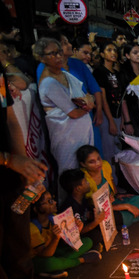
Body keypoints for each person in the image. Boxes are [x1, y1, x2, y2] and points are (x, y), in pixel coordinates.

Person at [0, 47, 61, 279]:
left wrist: (23, 163)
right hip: (5, 164)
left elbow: (10, 118)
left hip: (10, 176)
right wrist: (9, 159)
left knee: (18, 242)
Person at [36, 37, 94, 179]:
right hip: (66, 137)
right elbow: (73, 113)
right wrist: (88, 107)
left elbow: (86, 94)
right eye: (52, 54)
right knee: (70, 175)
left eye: (59, 52)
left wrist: (88, 102)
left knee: (87, 172)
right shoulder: (48, 83)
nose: (58, 57)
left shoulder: (66, 75)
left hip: (82, 133)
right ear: (42, 58)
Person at [77, 145, 139, 228]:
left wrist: (117, 195)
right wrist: (125, 206)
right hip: (100, 210)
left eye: (98, 158)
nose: (98, 163)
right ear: (83, 164)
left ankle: (137, 213)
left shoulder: (105, 166)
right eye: (92, 162)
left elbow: (111, 181)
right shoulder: (84, 180)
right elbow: (97, 208)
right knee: (123, 216)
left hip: (113, 200)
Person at [30, 191, 98, 277]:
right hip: (40, 258)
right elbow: (46, 254)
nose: (55, 202)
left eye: (53, 199)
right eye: (49, 201)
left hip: (55, 252)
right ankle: (80, 260)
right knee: (49, 263)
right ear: (36, 209)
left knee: (87, 241)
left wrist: (77, 230)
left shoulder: (54, 218)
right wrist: (56, 238)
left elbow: (69, 242)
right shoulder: (32, 228)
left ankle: (61, 265)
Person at [93, 42, 124, 168]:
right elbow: (103, 98)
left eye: (115, 50)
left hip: (118, 114)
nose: (113, 53)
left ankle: (118, 180)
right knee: (108, 151)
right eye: (109, 50)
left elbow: (121, 97)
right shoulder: (99, 72)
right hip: (107, 116)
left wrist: (121, 119)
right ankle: (112, 182)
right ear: (102, 54)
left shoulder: (117, 73)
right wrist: (110, 120)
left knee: (118, 149)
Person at [59, 169, 104, 248]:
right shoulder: (69, 209)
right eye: (85, 181)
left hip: (87, 228)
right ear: (78, 188)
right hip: (76, 238)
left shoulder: (83, 199)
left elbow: (87, 216)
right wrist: (96, 222)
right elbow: (76, 233)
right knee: (96, 235)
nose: (88, 183)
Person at [119, 43, 139, 137]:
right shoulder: (124, 74)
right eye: (135, 53)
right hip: (132, 113)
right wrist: (127, 121)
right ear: (127, 55)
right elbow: (123, 100)